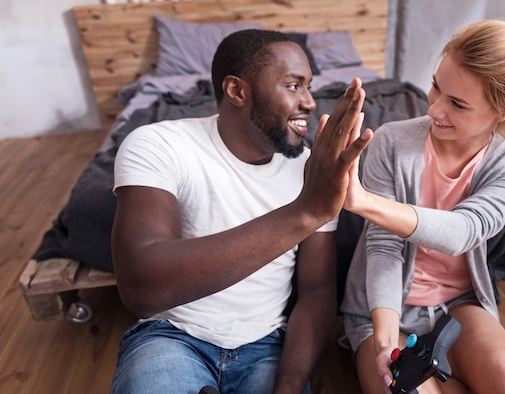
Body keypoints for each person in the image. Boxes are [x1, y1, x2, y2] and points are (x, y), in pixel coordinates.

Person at [340, 13, 505, 394]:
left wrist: (362, 202)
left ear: (503, 112)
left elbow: (461, 232)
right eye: (435, 87)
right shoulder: (391, 142)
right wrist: (384, 342)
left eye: (457, 104)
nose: (434, 109)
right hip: (384, 311)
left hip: (458, 307)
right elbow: (384, 247)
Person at [109, 29, 372, 394]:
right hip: (172, 338)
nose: (310, 103)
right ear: (237, 91)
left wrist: (290, 384)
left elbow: (315, 293)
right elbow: (141, 287)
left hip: (267, 347)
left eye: (309, 86)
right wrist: (305, 212)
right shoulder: (159, 144)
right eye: (293, 86)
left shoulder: (312, 171)